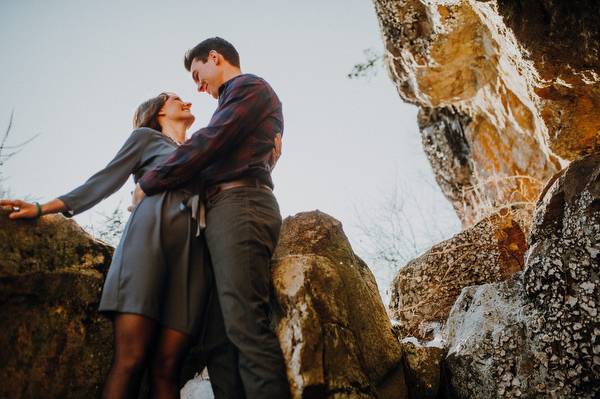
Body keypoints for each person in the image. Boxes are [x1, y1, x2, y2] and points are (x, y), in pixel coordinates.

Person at [0, 92, 211, 399]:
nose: (187, 101)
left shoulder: (199, 152)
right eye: (176, 98)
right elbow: (104, 181)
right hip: (148, 243)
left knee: (167, 368)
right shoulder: (145, 138)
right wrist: (43, 207)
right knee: (131, 359)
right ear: (158, 111)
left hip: (192, 257)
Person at [135, 37, 291, 398]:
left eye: (196, 72)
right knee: (218, 340)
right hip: (224, 212)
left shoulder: (249, 87)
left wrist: (151, 181)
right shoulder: (232, 101)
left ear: (215, 58)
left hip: (241, 206)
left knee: (245, 325)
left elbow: (211, 140)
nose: (197, 84)